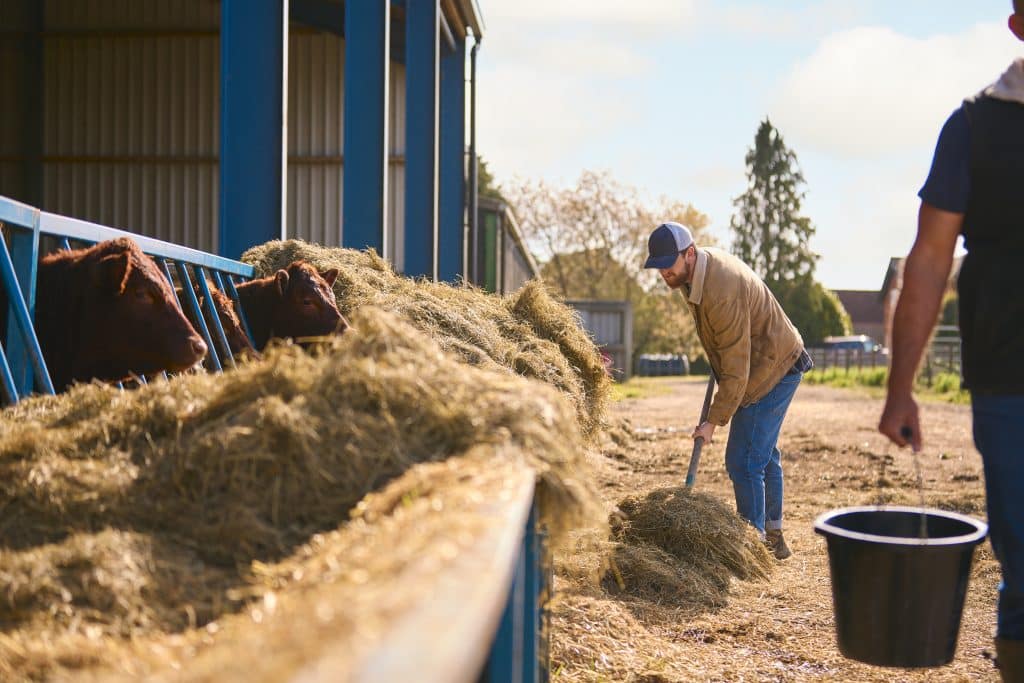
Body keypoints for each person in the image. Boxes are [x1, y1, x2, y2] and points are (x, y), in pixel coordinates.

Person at [879, 4, 1024, 678]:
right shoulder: (974, 127)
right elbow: (930, 260)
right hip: (1008, 380)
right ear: (1017, 24)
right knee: (1022, 564)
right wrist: (900, 387)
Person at [644, 221, 812, 560]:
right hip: (766, 362)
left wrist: (713, 422)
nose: (663, 272)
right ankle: (773, 537)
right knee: (763, 454)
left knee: (744, 461)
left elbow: (737, 369)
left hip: (774, 367)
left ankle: (752, 549)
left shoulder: (721, 289)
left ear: (689, 253)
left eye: (668, 263)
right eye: (658, 266)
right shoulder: (696, 275)